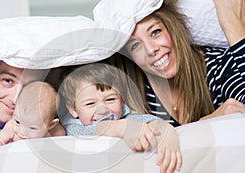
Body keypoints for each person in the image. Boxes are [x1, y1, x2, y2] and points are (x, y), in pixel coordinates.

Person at [103, 0, 245, 127]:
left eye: (155, 32)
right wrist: (204, 124)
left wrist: (233, 27)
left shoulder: (217, 66)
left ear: (173, 27)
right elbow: (85, 127)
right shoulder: (132, 94)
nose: (151, 50)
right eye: (135, 46)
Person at [58, 63, 182, 173]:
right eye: (90, 104)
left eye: (110, 99)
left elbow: (146, 119)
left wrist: (165, 129)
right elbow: (84, 132)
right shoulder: (71, 123)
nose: (102, 110)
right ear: (73, 110)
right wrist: (119, 127)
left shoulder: (125, 114)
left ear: (121, 101)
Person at [0, 81, 65, 151]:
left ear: (51, 125)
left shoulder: (57, 133)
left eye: (32, 128)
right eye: (18, 122)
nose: (22, 132)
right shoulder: (11, 127)